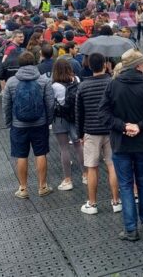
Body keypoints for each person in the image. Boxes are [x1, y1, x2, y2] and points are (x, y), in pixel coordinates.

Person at [99, 49, 143, 241]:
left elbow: (103, 114)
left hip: (121, 143)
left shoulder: (113, 86)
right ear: (138, 65)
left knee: (126, 185)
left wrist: (122, 126)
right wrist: (140, 126)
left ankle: (130, 228)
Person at [3, 51, 56, 199]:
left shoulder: (11, 82)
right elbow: (50, 103)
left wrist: (9, 122)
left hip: (18, 125)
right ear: (34, 63)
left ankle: (23, 188)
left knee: (21, 155)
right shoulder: (43, 81)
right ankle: (42, 186)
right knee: (40, 154)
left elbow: (6, 104)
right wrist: (48, 120)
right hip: (40, 123)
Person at [76, 53, 121, 215]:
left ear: (89, 66)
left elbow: (79, 113)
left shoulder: (82, 86)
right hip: (111, 130)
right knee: (112, 165)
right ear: (105, 65)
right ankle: (116, 201)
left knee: (92, 168)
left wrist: (80, 134)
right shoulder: (113, 83)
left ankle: (92, 204)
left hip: (91, 131)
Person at [50, 58, 84, 192]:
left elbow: (52, 103)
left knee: (64, 148)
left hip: (60, 119)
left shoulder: (54, 86)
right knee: (78, 145)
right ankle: (85, 174)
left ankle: (68, 179)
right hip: (75, 117)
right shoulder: (77, 79)